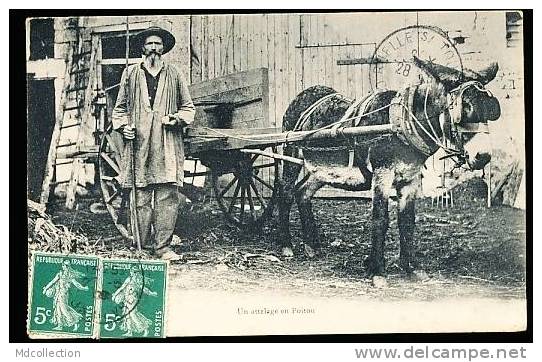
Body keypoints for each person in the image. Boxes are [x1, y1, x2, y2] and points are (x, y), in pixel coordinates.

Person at [112, 24, 195, 261]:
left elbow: (189, 109)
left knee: (168, 195)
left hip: (167, 144)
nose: (154, 49)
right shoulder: (130, 74)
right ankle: (141, 245)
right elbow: (119, 110)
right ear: (143, 47)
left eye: (158, 44)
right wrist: (123, 126)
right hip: (139, 144)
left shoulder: (175, 74)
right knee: (140, 196)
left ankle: (163, 248)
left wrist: (176, 118)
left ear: (164, 48)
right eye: (150, 44)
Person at [42, 259, 89, 332]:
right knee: (58, 309)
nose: (66, 267)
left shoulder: (70, 275)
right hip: (58, 293)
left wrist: (83, 288)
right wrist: (46, 289)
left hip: (64, 294)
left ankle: (75, 322)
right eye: (65, 265)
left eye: (68, 266)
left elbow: (76, 284)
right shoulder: (60, 274)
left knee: (64, 310)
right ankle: (60, 325)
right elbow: (52, 282)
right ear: (62, 265)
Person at [112, 266, 157, 337]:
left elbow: (144, 289)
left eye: (134, 272)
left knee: (133, 314)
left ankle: (145, 329)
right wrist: (115, 295)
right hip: (126, 300)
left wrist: (151, 293)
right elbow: (122, 288)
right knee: (127, 316)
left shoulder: (138, 281)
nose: (133, 273)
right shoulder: (128, 279)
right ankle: (129, 332)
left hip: (133, 300)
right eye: (132, 271)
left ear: (137, 273)